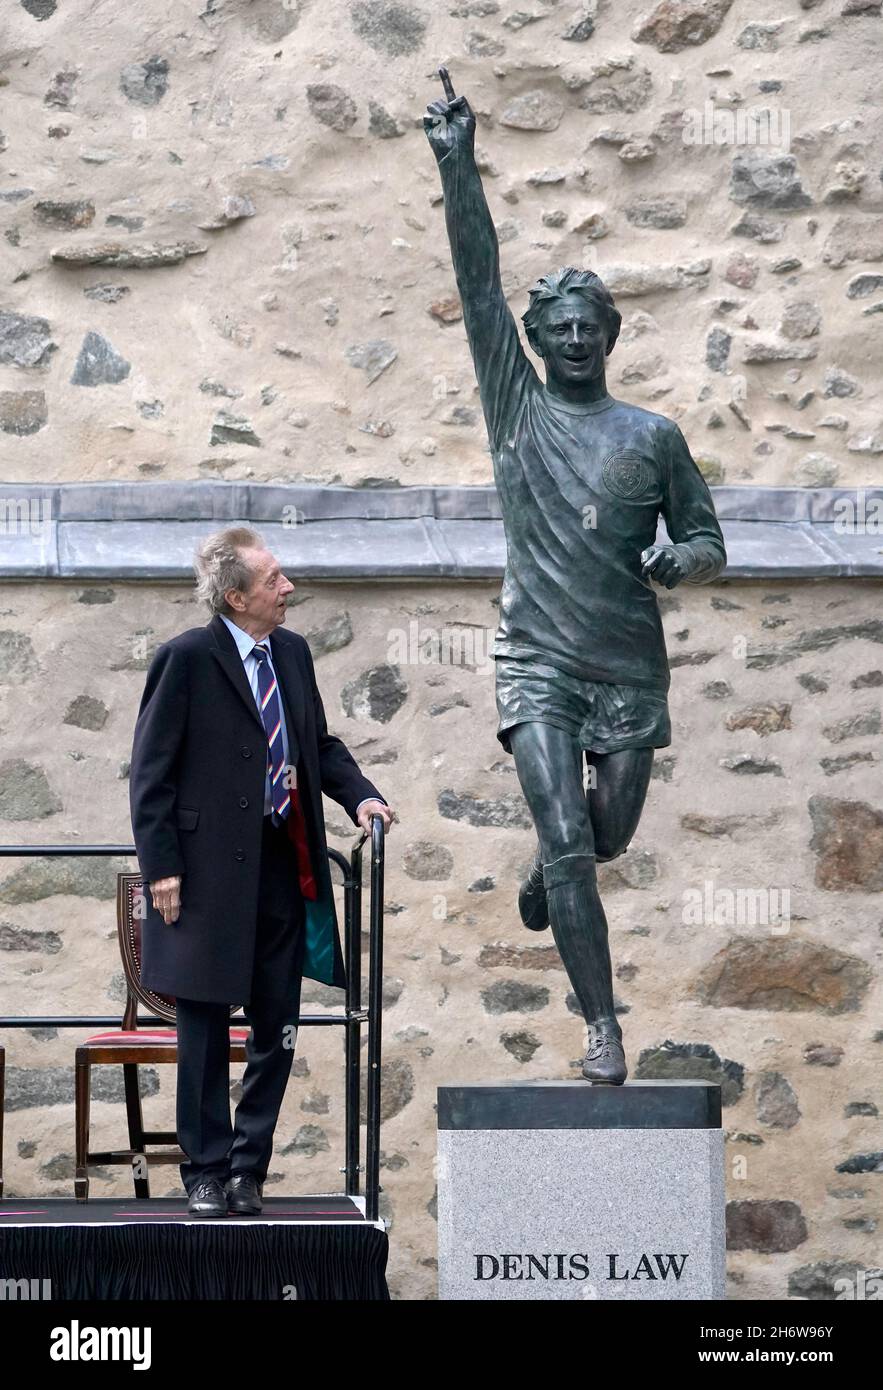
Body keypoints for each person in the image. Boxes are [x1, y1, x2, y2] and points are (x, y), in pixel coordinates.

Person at [424, 79, 726, 1085]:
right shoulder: (517, 410)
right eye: (555, 325)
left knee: (607, 831)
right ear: (540, 342)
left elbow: (705, 533)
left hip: (627, 662)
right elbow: (477, 284)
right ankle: (602, 1027)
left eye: (587, 322)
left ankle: (555, 877)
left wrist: (680, 559)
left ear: (609, 334)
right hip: (537, 658)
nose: (572, 336)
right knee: (564, 835)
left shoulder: (652, 437)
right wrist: (458, 165)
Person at [129, 526, 394, 1215]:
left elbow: (317, 744)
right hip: (204, 878)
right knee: (205, 1031)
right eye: (274, 580)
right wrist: (161, 868)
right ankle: (206, 1173)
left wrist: (361, 793)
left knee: (277, 1026)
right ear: (234, 595)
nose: (288, 589)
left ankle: (249, 1170)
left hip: (286, 868)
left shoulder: (294, 653)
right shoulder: (185, 659)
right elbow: (150, 775)